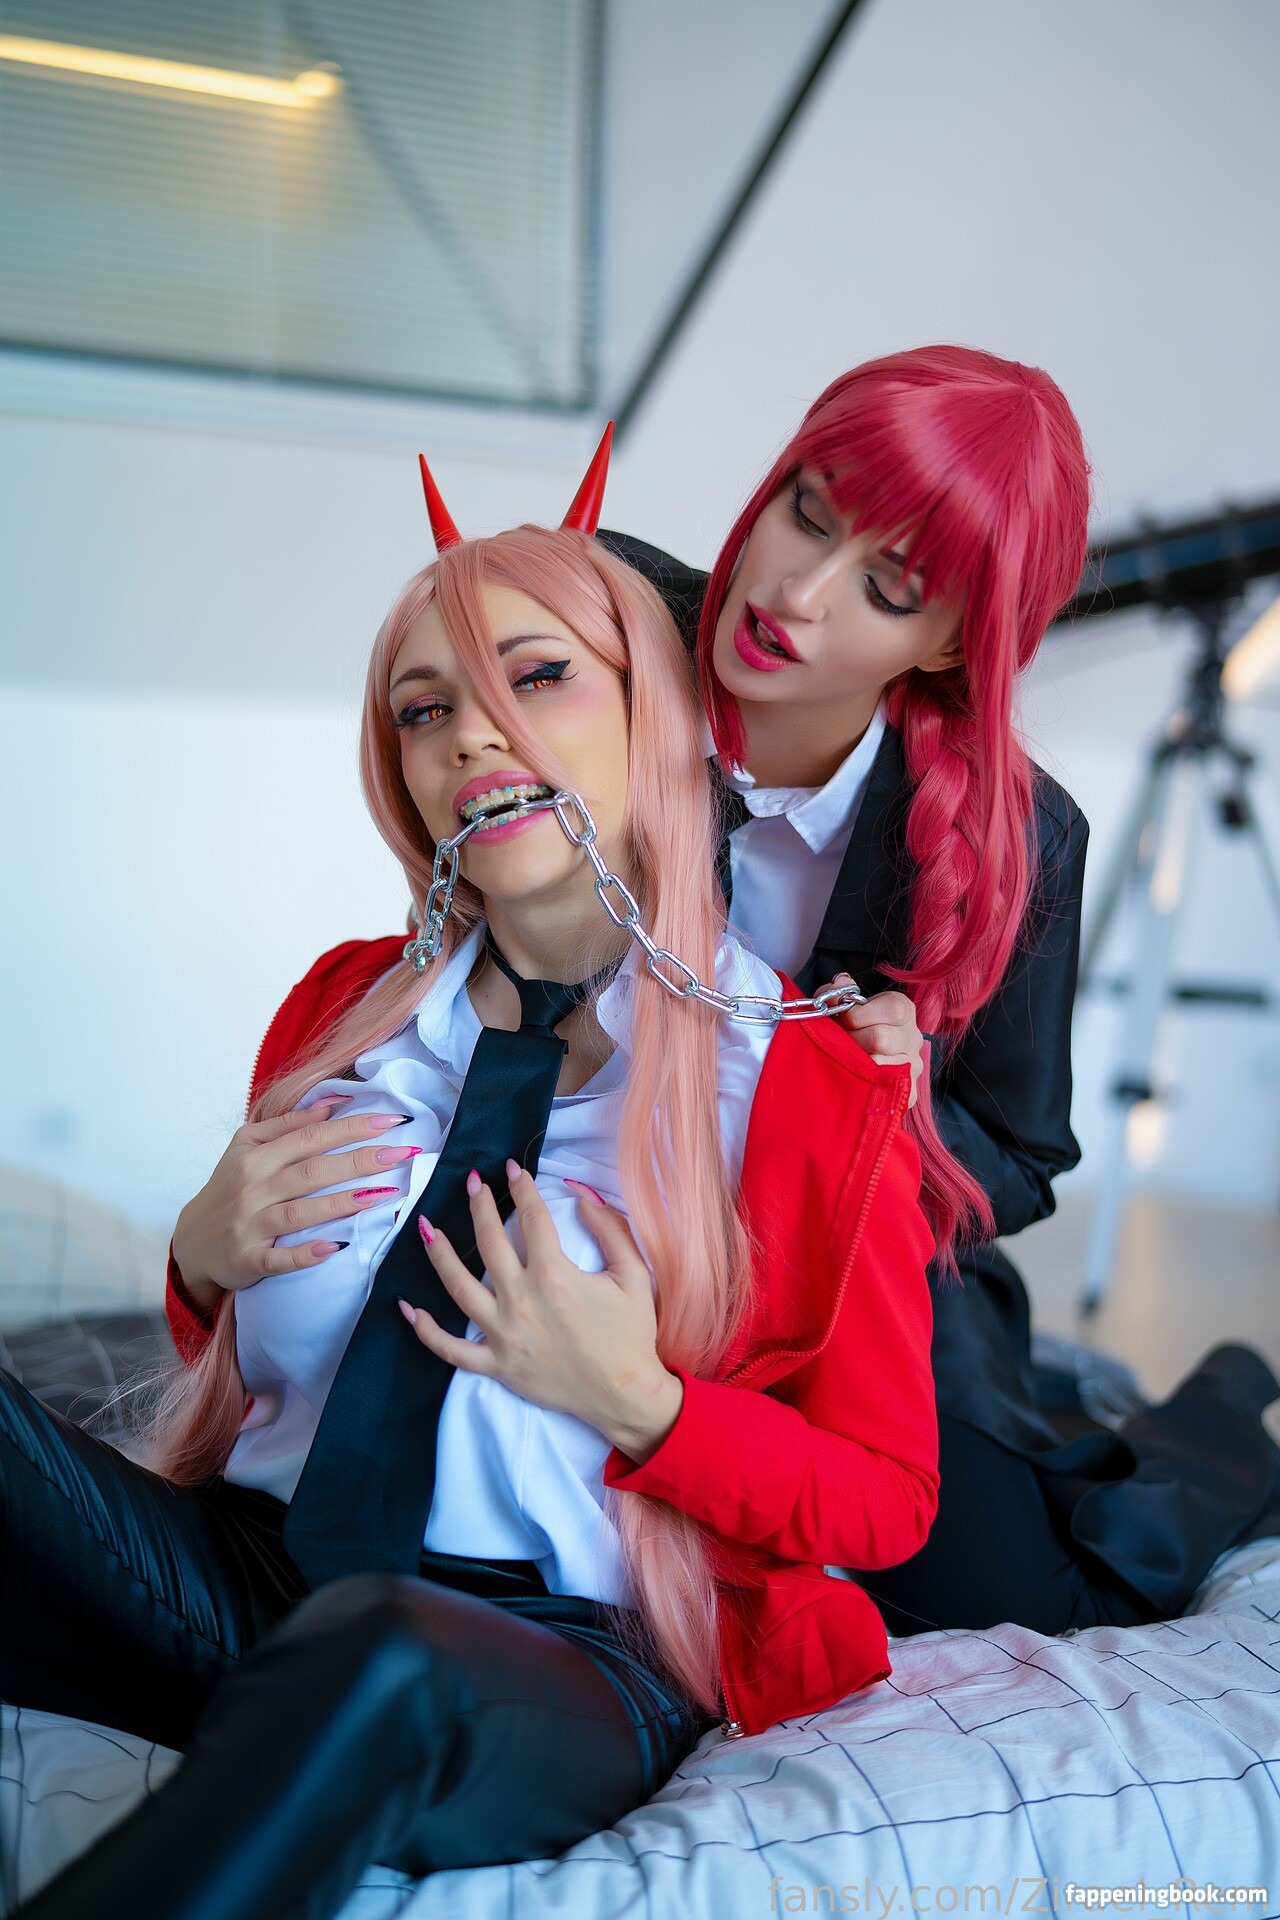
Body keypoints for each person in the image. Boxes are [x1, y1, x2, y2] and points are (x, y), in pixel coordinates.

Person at [3, 449, 942, 1920]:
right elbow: (283, 1349)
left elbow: (885, 1501)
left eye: (537, 677)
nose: (472, 737)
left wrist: (647, 1405)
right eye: (426, 708)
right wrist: (194, 1262)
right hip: (249, 1574)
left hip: (555, 1651)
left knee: (378, 1653)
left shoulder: (808, 1082)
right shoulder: (345, 1012)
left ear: (652, 707)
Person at [589, 344, 1280, 1637]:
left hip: (864, 1273)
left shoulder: (1028, 839)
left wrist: (899, 1109)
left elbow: (1025, 1158)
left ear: (953, 639)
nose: (795, 592)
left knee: (1018, 1594)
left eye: (885, 587)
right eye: (806, 510)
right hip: (612, 1206)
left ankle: (1222, 1407)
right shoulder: (603, 626)